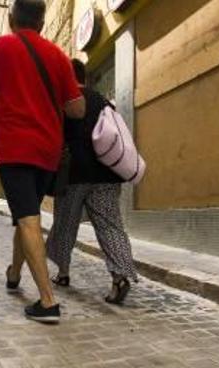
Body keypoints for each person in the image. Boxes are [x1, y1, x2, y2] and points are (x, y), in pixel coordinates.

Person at [0, 0, 85, 323]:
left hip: (15, 149)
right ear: (43, 23)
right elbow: (77, 110)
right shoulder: (58, 56)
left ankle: (47, 302)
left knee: (28, 218)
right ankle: (14, 273)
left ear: (10, 18)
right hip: (48, 152)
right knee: (26, 213)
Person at [46, 59, 138, 305]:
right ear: (84, 76)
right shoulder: (103, 101)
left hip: (74, 175)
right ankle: (119, 277)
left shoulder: (64, 102)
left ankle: (63, 274)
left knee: (65, 225)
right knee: (110, 226)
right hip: (107, 174)